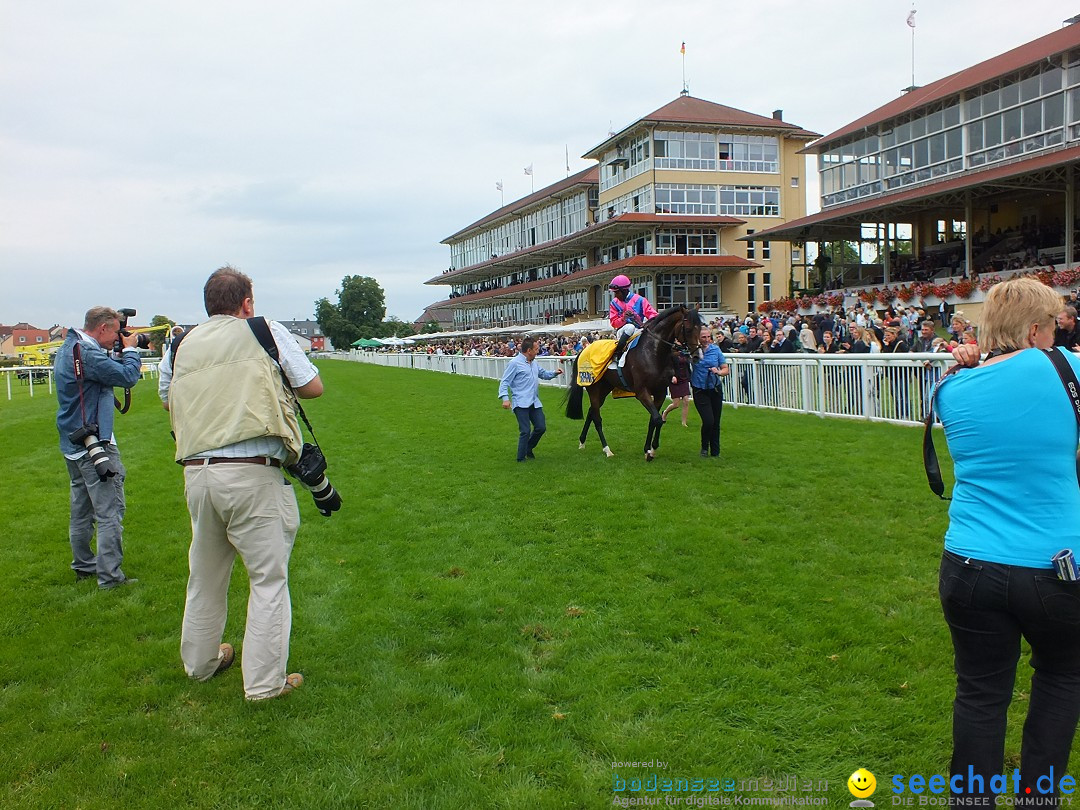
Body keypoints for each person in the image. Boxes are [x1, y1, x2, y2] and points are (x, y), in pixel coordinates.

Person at [935, 277, 1080, 805]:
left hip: (969, 562)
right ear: (1038, 328)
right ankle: (1037, 800)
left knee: (979, 693)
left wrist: (973, 359)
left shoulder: (950, 387)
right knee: (1063, 679)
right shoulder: (1068, 369)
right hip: (1058, 563)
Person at [159, 266, 323, 701]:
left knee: (205, 576)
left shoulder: (180, 343)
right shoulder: (261, 329)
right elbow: (312, 386)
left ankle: (200, 664)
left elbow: (166, 397)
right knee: (268, 579)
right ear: (246, 302)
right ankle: (266, 685)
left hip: (197, 473)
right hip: (253, 471)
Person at [54, 307, 143, 588]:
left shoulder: (70, 348)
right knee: (110, 511)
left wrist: (119, 350)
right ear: (103, 328)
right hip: (96, 445)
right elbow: (127, 376)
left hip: (73, 441)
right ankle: (110, 577)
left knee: (80, 511)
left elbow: (104, 373)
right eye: (116, 331)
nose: (119, 336)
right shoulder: (88, 354)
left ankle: (83, 565)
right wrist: (130, 350)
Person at [498, 336, 563, 461]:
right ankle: (521, 458)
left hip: (534, 402)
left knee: (541, 427)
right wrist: (505, 398)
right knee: (525, 431)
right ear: (529, 351)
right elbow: (504, 382)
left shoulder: (534, 363)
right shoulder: (514, 363)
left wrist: (555, 373)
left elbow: (543, 374)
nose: (537, 351)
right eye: (536, 349)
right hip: (520, 403)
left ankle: (528, 448)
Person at [690, 327, 730, 458]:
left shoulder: (715, 350)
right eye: (703, 337)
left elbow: (725, 369)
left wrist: (718, 372)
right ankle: (704, 447)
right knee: (708, 420)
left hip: (715, 388)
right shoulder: (694, 351)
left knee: (716, 422)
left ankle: (715, 451)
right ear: (698, 338)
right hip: (700, 389)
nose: (706, 340)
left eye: (708, 337)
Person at [608, 274, 657, 359]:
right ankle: (617, 353)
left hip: (638, 330)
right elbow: (614, 323)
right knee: (630, 327)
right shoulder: (614, 303)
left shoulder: (641, 300)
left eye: (617, 292)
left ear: (624, 290)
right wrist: (623, 318)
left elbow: (653, 315)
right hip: (622, 331)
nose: (615, 295)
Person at [661, 339, 692, 427]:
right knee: (676, 404)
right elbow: (667, 366)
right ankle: (665, 413)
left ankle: (684, 422)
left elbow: (687, 364)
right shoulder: (670, 353)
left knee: (686, 400)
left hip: (684, 378)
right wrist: (672, 376)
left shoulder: (684, 352)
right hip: (675, 379)